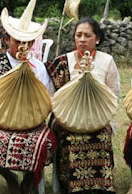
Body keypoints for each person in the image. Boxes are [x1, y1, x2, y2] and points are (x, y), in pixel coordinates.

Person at [0, 0, 57, 194]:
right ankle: (9, 176)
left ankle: (29, 178)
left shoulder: (38, 67)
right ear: (7, 39)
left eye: (27, 41)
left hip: (31, 122)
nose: (22, 46)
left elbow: (47, 99)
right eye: (17, 40)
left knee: (47, 142)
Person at [45, 17, 120, 194]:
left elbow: (114, 95)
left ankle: (100, 187)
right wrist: (67, 114)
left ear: (97, 39)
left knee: (101, 137)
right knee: (71, 139)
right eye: (78, 35)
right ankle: (74, 187)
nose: (82, 39)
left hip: (99, 118)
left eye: (87, 35)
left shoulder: (107, 61)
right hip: (66, 119)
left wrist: (99, 115)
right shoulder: (63, 62)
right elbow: (51, 96)